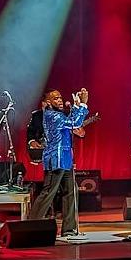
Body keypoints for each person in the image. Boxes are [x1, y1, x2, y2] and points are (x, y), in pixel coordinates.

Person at [28, 88, 90, 237]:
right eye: (55, 99)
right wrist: (82, 105)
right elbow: (74, 122)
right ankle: (30, 226)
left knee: (71, 191)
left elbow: (73, 123)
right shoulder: (51, 116)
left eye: (60, 97)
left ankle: (69, 229)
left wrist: (76, 106)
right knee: (49, 192)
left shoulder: (59, 115)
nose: (60, 100)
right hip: (56, 159)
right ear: (48, 103)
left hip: (66, 159)